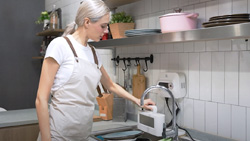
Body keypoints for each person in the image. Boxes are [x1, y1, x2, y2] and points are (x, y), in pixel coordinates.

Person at [35, 0, 155, 140]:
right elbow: (41, 99)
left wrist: (138, 100)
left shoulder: (94, 53)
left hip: (82, 134)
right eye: (103, 26)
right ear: (87, 22)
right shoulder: (60, 46)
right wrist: (45, 138)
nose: (106, 31)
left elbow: (110, 85)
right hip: (57, 135)